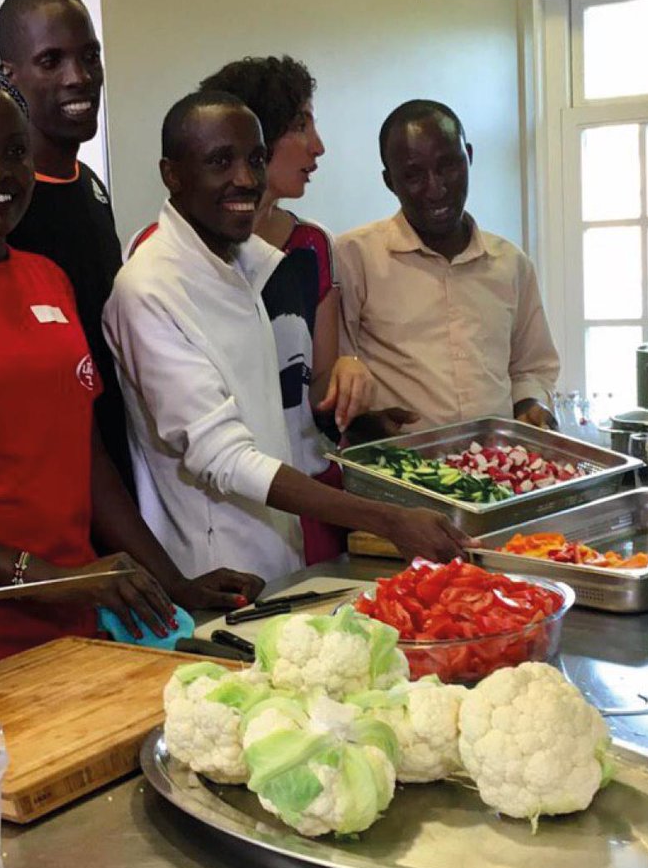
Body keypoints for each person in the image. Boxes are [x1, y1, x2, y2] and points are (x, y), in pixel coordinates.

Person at [0, 50, 262, 693]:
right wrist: (52, 578)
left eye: (14, 151)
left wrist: (170, 581)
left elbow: (83, 460)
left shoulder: (46, 278)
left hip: (70, 630)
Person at [103, 90, 471, 583]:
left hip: (280, 552)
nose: (245, 179)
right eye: (220, 161)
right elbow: (223, 456)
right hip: (212, 570)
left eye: (255, 160)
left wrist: (357, 422)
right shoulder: (148, 286)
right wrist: (386, 519)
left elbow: (279, 405)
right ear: (172, 174)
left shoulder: (246, 260)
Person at [198, 54, 379, 564]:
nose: (317, 145)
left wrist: (347, 371)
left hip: (312, 493)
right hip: (224, 508)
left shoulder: (311, 245)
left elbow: (315, 390)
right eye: (300, 124)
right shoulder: (174, 258)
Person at [336, 99, 560, 431]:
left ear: (469, 156)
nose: (436, 188)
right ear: (389, 180)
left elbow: (532, 367)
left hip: (496, 471)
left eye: (449, 166)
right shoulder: (353, 257)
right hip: (397, 471)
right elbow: (337, 374)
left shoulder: (511, 264)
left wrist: (532, 404)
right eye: (413, 175)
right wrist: (363, 422)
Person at [0, 0, 134, 494]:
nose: (79, 78)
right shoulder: (3, 208)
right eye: (51, 61)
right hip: (44, 477)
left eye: (89, 57)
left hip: (112, 461)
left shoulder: (91, 187)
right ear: (9, 75)